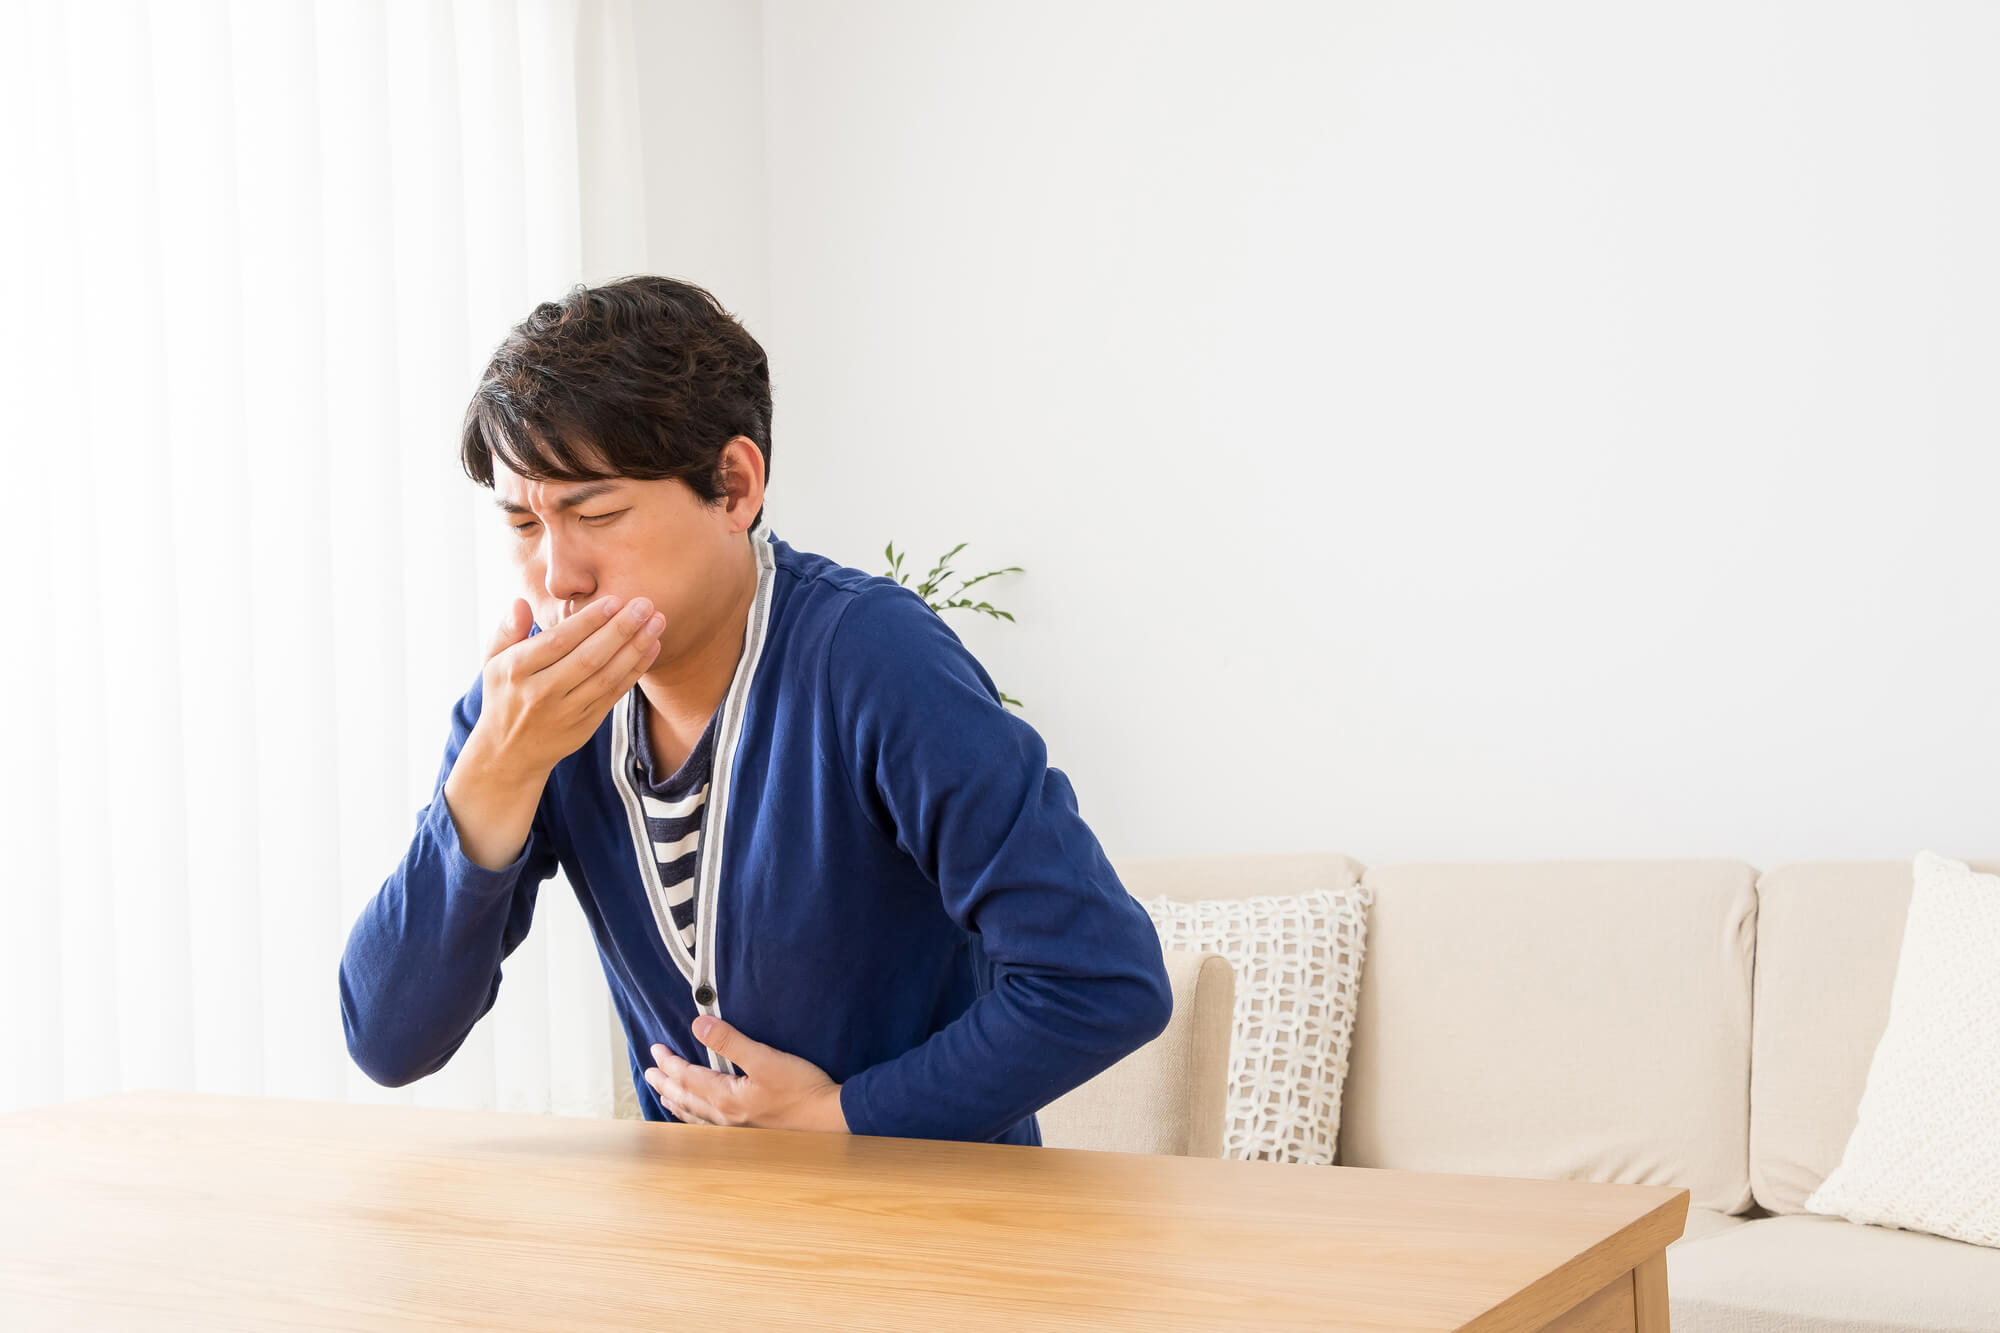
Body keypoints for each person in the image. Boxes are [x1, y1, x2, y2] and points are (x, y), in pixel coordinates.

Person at [338, 275, 1171, 1143]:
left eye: (597, 512)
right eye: (522, 526)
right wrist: (494, 772)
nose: (558, 577)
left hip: (933, 1238)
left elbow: (1102, 978)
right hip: (704, 1246)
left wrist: (848, 1115)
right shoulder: (526, 714)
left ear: (734, 487)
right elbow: (390, 1040)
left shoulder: (873, 659)